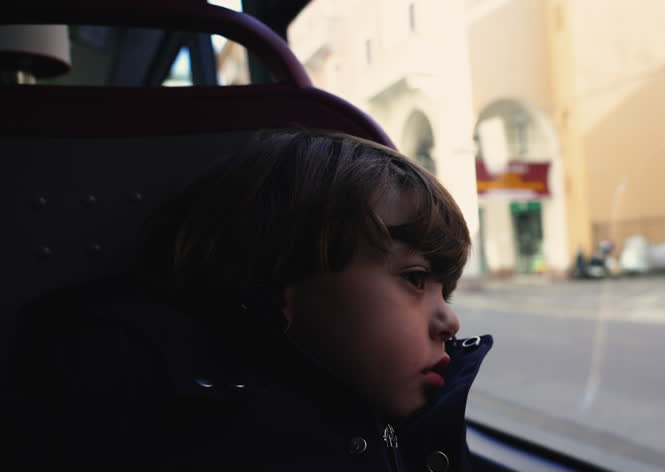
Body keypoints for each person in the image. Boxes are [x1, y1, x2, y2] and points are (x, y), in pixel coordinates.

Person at [12, 129, 492, 471]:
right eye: (414, 278)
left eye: (444, 292)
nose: (449, 319)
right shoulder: (134, 383)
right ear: (276, 273)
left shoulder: (403, 421)